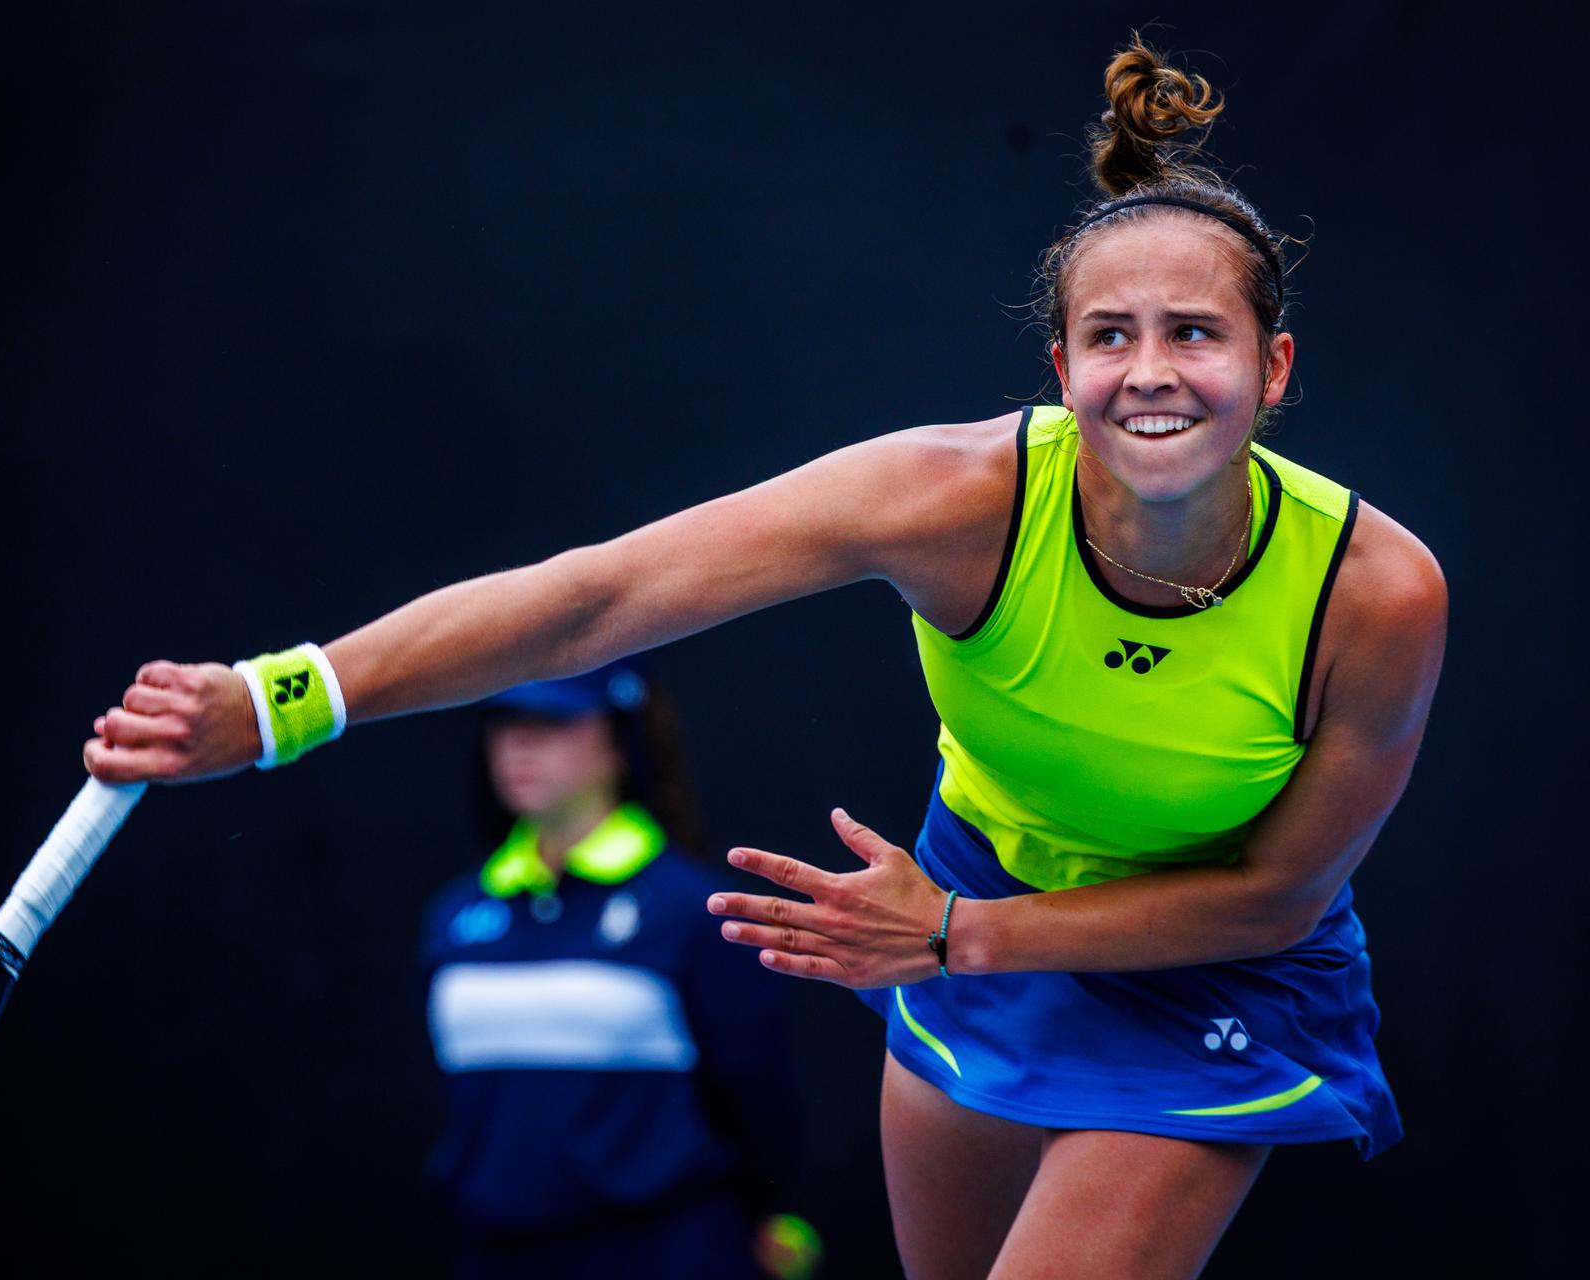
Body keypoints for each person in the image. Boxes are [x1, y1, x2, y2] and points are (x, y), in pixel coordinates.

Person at [85, 37, 1446, 1279]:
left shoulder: (1375, 594)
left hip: (1195, 961)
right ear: (1059, 364)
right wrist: (282, 701)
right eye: (1111, 336)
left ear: (1272, 369)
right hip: (959, 906)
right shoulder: (951, 497)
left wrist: (962, 937)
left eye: (1194, 334)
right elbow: (594, 600)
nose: (1150, 370)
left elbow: (1273, 901)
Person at [419, 660, 814, 1280]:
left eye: (552, 720)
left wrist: (749, 1218)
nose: (520, 743)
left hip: (667, 1254)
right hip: (496, 1255)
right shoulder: (454, 917)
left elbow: (760, 1104)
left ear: (619, 741)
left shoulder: (693, 911)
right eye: (506, 721)